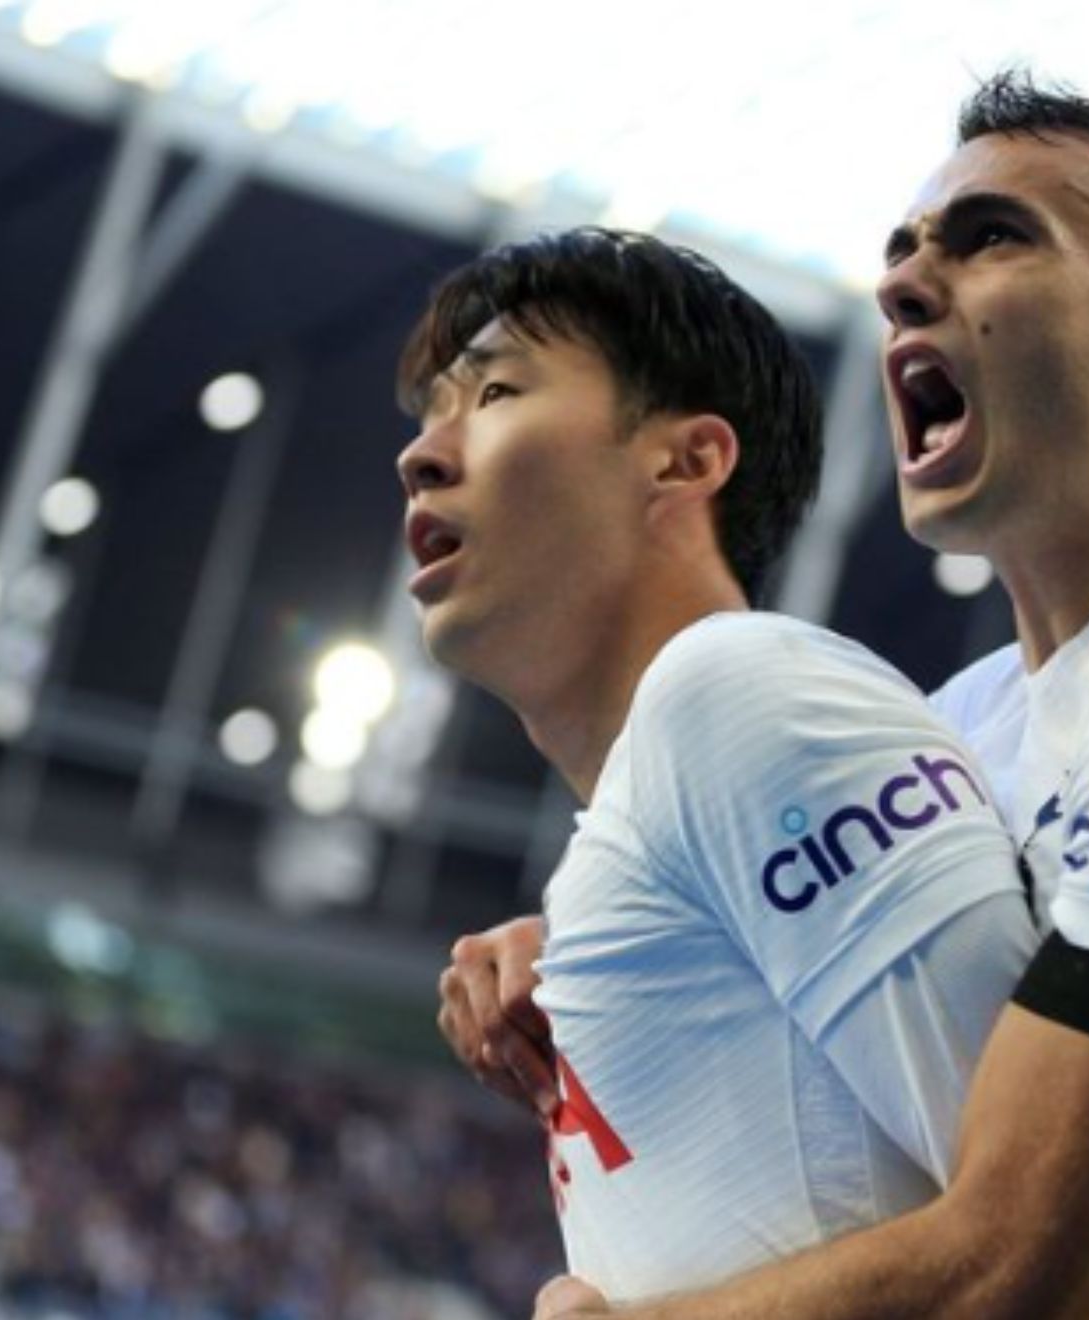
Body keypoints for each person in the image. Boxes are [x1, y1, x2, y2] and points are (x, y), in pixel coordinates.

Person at [464, 72, 1089, 1319]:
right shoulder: (966, 718)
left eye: (991, 237)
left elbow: (1029, 1267)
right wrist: (594, 946)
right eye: (899, 253)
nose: (901, 285)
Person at [393, 227, 1050, 1306]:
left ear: (688, 459)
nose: (421, 453)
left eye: (497, 392)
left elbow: (1060, 1235)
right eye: (429, 417)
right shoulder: (663, 794)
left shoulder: (739, 689)